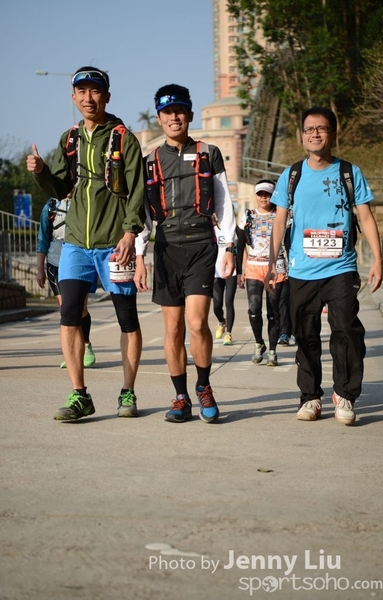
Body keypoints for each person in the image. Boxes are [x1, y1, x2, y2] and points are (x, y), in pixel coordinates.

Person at [27, 66, 145, 421]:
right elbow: (61, 189)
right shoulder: (69, 139)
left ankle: (127, 392)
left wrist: (130, 232)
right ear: (73, 97)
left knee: (127, 320)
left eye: (95, 91)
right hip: (75, 244)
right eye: (82, 91)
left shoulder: (124, 139)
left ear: (107, 96)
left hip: (115, 245)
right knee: (69, 317)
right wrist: (41, 172)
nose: (88, 98)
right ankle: (80, 395)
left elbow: (138, 190)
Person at [266, 106, 383, 426]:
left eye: (321, 128)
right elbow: (279, 222)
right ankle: (310, 397)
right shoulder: (292, 175)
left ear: (333, 133)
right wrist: (273, 263)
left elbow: (365, 217)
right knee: (304, 334)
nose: (315, 134)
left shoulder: (349, 172)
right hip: (301, 270)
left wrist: (378, 259)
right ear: (302, 136)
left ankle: (345, 395)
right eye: (309, 129)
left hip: (340, 268)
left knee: (346, 330)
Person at [135, 84, 236, 424]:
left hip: (201, 245)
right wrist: (140, 256)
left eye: (179, 111)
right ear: (159, 118)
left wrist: (228, 246)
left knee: (196, 323)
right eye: (167, 112)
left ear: (190, 115)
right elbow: (144, 214)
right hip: (166, 248)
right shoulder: (150, 161)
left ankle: (204, 387)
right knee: (173, 327)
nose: (174, 117)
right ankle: (181, 397)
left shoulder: (209, 153)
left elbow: (223, 202)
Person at [36, 195, 96, 369]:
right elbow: (42, 239)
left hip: (79, 262)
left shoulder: (85, 201)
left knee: (80, 309)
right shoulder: (50, 206)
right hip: (55, 262)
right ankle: (72, 353)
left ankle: (86, 346)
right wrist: (40, 268)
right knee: (66, 310)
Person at [237, 179, 287, 367]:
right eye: (260, 194)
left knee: (273, 311)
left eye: (267, 194)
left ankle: (272, 351)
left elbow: (289, 242)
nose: (263, 198)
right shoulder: (248, 216)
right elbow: (240, 244)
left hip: (276, 268)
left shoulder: (282, 215)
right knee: (254, 309)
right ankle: (259, 343)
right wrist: (239, 271)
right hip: (253, 267)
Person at [213, 221, 240, 346]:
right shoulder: (212, 230)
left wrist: (240, 272)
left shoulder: (233, 231)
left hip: (231, 271)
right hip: (216, 272)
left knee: (229, 302)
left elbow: (239, 251)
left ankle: (228, 333)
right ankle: (221, 322)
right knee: (217, 305)